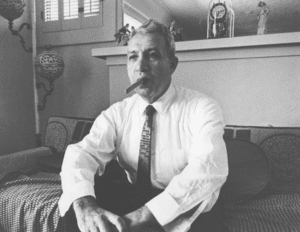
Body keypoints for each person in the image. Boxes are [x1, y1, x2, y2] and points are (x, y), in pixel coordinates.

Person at [59, 19, 228, 232]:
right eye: (133, 57)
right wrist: (86, 206)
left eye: (153, 55)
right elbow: (82, 154)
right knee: (74, 208)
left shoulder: (202, 107)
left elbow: (206, 169)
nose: (140, 67)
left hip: (186, 199)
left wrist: (141, 217)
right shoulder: (117, 113)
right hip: (136, 194)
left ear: (172, 64)